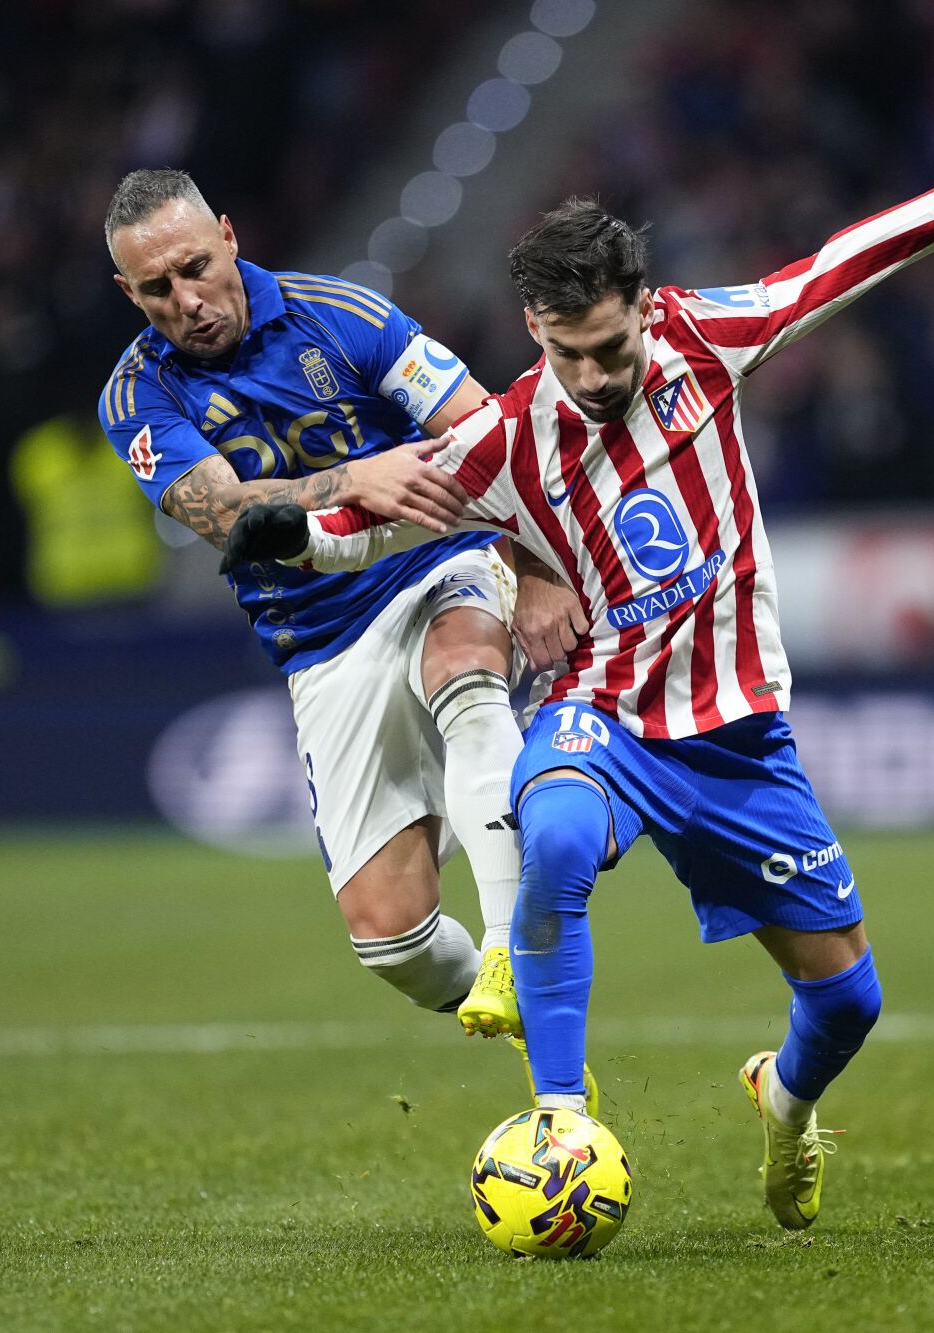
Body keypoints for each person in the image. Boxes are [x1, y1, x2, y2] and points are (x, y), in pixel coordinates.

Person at [222, 102, 934, 1228]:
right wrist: (288, 530)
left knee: (847, 1001)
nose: (596, 374)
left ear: (645, 312)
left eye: (611, 348)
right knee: (552, 832)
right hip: (600, 709)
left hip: (732, 729)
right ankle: (559, 1115)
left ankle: (787, 1102)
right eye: (567, 354)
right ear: (533, 328)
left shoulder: (711, 338)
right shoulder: (506, 437)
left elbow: (865, 250)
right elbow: (379, 521)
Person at [97, 170, 597, 1109]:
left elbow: (487, 431)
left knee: (466, 663)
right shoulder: (134, 398)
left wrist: (535, 566)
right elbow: (225, 515)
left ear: (230, 237)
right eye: (157, 289)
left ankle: (515, 961)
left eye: (196, 268)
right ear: (129, 294)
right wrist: (354, 478)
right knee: (393, 939)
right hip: (321, 640)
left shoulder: (347, 317)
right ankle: (517, 997)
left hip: (436, 565)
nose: (187, 301)